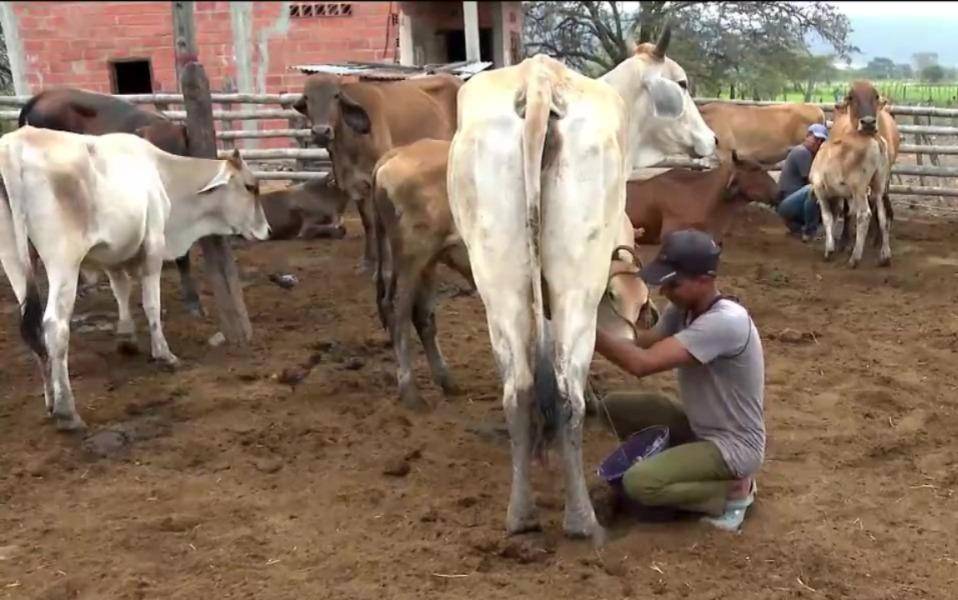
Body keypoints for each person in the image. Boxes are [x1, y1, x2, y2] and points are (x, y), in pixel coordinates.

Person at [593, 229, 765, 532]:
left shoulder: (724, 322)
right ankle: (685, 467)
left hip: (732, 448)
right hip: (702, 428)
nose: (664, 292)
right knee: (615, 405)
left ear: (704, 280)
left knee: (639, 483)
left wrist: (585, 331)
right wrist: (602, 314)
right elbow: (644, 342)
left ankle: (732, 492)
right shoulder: (684, 310)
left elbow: (641, 364)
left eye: (673, 284)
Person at [776, 123, 829, 242]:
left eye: (821, 141)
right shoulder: (802, 152)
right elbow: (810, 179)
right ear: (808, 136)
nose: (818, 143)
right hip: (788, 202)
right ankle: (809, 232)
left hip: (791, 201)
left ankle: (800, 228)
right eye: (816, 139)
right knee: (814, 189)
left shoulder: (807, 153)